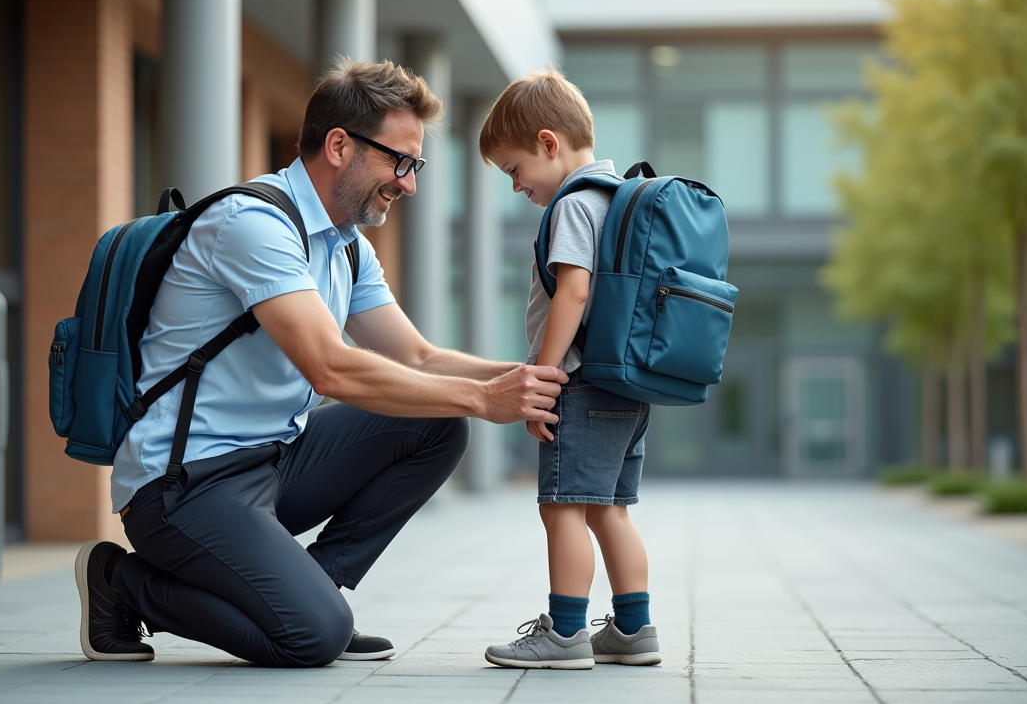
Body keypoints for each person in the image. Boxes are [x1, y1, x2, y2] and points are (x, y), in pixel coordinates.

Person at [74, 58, 568, 668]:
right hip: (183, 484)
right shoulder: (252, 224)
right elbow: (329, 368)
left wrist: (534, 378)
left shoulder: (346, 246)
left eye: (415, 165)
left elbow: (418, 356)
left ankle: (303, 593)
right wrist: (486, 400)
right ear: (339, 145)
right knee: (312, 638)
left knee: (436, 425)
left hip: (276, 463)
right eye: (400, 162)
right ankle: (122, 582)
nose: (408, 183)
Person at [477, 70, 660, 670]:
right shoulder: (620, 200)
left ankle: (564, 634)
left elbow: (573, 294)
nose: (514, 185)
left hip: (578, 385)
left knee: (561, 507)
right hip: (627, 386)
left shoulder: (574, 207)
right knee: (610, 508)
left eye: (514, 169)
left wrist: (544, 376)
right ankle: (633, 630)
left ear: (549, 144)